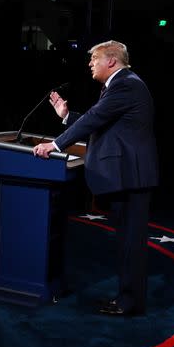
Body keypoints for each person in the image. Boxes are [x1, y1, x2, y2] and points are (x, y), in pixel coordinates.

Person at [33, 40, 158, 316]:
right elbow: (102, 121)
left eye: (94, 59)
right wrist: (67, 117)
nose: (90, 63)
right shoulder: (120, 85)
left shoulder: (126, 84)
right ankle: (127, 298)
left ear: (111, 60)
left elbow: (95, 118)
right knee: (127, 243)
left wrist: (55, 145)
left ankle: (130, 302)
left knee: (131, 244)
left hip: (131, 176)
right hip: (127, 175)